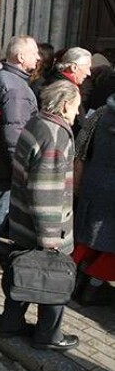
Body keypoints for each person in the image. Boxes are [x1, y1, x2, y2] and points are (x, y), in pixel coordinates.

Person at [0, 80, 81, 351]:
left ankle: (10, 323)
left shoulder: (37, 122)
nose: (78, 113)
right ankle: (49, 335)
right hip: (44, 227)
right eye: (77, 107)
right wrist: (50, 240)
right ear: (66, 103)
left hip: (23, 220)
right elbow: (45, 188)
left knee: (22, 271)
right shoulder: (55, 135)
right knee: (53, 276)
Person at [0, 35, 39, 272]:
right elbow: (14, 130)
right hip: (6, 161)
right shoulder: (15, 87)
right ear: (21, 57)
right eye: (34, 52)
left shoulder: (1, 77)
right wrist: (20, 166)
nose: (38, 57)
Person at [72, 92, 115, 306]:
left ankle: (72, 284)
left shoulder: (101, 112)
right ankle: (89, 292)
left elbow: (80, 147)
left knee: (85, 238)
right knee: (109, 248)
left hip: (94, 180)